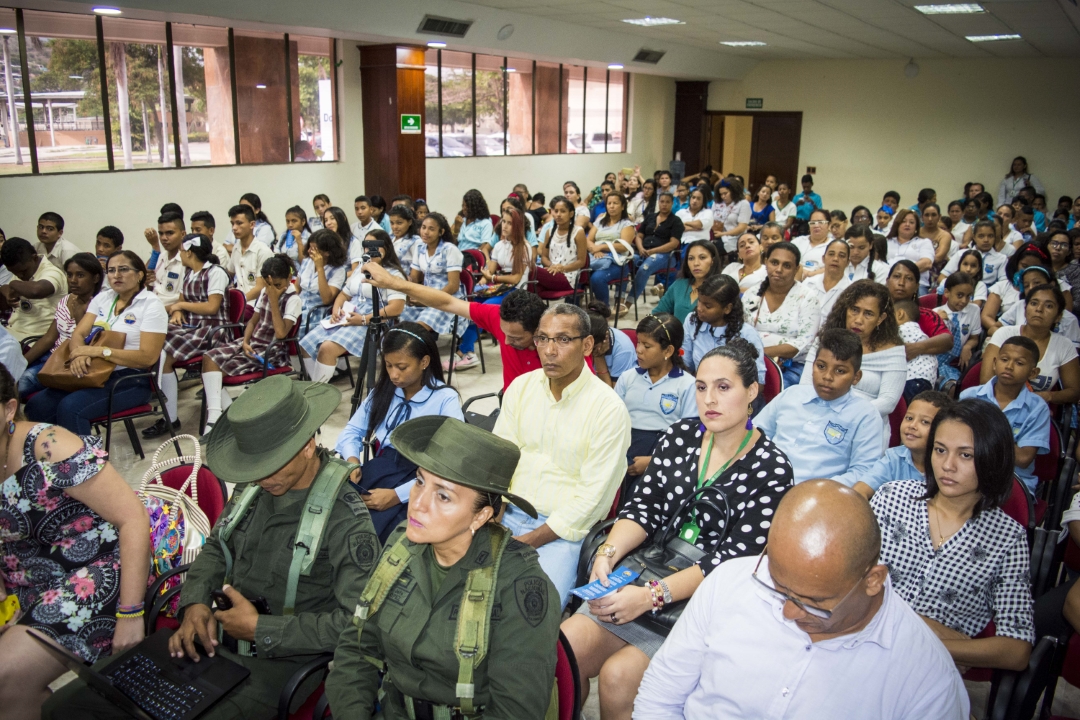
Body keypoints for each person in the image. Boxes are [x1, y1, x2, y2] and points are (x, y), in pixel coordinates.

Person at [45, 375, 379, 720]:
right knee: (67, 705)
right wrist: (194, 605)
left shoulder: (345, 519)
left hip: (277, 666)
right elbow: (217, 547)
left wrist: (260, 629)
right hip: (215, 641)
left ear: (307, 445)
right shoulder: (255, 487)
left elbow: (359, 624)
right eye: (255, 466)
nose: (260, 477)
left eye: (271, 464)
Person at [563, 339, 794, 720]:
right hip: (648, 569)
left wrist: (649, 597)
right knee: (564, 650)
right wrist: (607, 554)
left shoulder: (771, 469)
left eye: (723, 387)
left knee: (619, 678)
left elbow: (729, 564)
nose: (709, 399)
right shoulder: (679, 436)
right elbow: (643, 508)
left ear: (752, 391)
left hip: (702, 600)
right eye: (701, 387)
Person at [634, 479, 969, 719]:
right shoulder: (731, 581)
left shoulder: (926, 675)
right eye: (778, 587)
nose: (789, 612)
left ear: (872, 580)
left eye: (814, 602)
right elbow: (660, 696)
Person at [325, 416, 559, 720]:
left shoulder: (518, 585)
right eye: (420, 481)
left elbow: (515, 712)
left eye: (443, 496)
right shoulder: (401, 548)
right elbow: (357, 648)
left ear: (481, 516)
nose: (418, 503)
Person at [0, 365, 150, 720]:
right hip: (27, 580)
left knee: (5, 674)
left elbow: (132, 519)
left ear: (9, 409)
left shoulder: (50, 446)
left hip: (96, 571)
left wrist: (131, 613)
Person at [871, 400, 1034, 673]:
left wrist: (924, 642)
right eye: (940, 450)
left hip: (930, 671)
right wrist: (934, 629)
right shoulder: (891, 497)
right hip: (861, 644)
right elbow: (848, 581)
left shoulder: (1008, 538)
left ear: (993, 458)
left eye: (966, 455)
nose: (947, 465)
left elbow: (1016, 650)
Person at [493, 304, 632, 606]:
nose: (549, 351)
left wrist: (528, 540)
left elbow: (592, 498)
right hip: (506, 513)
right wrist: (495, 516)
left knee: (530, 614)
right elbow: (499, 459)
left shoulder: (608, 409)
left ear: (587, 345)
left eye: (563, 339)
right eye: (543, 338)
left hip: (562, 533)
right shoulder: (521, 388)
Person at [335, 324, 462, 541]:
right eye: (388, 365)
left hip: (423, 476)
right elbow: (352, 430)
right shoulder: (383, 392)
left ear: (424, 362)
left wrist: (398, 495)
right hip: (382, 468)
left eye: (402, 367)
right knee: (340, 516)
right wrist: (353, 461)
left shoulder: (444, 399)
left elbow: (450, 462)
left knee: (382, 532)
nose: (393, 374)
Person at [25, 251, 166, 435]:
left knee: (71, 408)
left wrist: (99, 352)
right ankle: (52, 451)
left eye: (123, 269)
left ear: (140, 275)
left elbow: (148, 357)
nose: (116, 275)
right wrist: (79, 354)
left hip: (130, 379)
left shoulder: (151, 305)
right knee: (37, 405)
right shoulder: (103, 298)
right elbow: (79, 333)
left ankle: (82, 454)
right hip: (91, 371)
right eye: (111, 270)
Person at [362, 262, 556, 390]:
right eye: (504, 334)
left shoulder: (559, 346)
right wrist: (394, 283)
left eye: (515, 338)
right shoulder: (499, 318)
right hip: (511, 405)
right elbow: (447, 302)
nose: (505, 341)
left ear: (539, 331)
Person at [755, 328, 884, 487]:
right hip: (762, 481)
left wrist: (818, 490)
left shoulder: (865, 416)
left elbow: (864, 471)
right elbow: (755, 434)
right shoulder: (792, 395)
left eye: (840, 371)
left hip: (817, 494)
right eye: (821, 366)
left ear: (856, 377)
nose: (827, 377)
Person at [145, 234, 232, 439]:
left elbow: (212, 307)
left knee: (163, 341)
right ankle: (170, 416)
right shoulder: (189, 273)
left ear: (190, 252)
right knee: (159, 340)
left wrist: (180, 305)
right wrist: (177, 311)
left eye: (182, 251)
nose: (180, 254)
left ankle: (157, 391)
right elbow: (181, 301)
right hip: (191, 327)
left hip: (212, 329)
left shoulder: (215, 272)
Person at [200, 255, 301, 428]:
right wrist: (245, 342)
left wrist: (274, 300)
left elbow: (281, 333)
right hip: (252, 342)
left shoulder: (293, 299)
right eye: (269, 285)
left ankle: (219, 420)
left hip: (271, 351)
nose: (273, 289)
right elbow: (252, 322)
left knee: (216, 371)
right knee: (209, 359)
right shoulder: (264, 292)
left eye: (278, 285)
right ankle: (220, 415)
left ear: (288, 278)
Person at [299, 230, 406, 384]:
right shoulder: (361, 268)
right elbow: (344, 294)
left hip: (374, 320)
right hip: (349, 315)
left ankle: (316, 391)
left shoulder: (393, 274)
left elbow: (396, 308)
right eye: (367, 246)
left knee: (327, 348)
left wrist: (364, 319)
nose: (370, 250)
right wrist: (336, 310)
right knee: (306, 344)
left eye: (375, 246)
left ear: (386, 248)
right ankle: (316, 386)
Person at [802, 281, 906, 423]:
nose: (858, 320)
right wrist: (826, 414)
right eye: (854, 310)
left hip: (865, 422)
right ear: (845, 310)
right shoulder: (825, 341)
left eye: (868, 314)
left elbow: (888, 402)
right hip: (817, 415)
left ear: (880, 319)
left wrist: (846, 415)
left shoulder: (893, 352)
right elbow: (805, 386)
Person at [614, 314, 696, 489]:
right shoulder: (627, 378)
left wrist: (653, 461)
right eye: (638, 342)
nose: (638, 350)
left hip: (663, 452)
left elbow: (689, 437)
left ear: (668, 351)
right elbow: (612, 420)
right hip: (625, 447)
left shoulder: (687, 385)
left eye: (647, 346)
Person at [960, 336, 1050, 492]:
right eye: (1004, 359)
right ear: (994, 363)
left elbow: (1023, 458)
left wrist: (981, 434)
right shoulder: (970, 396)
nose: (1009, 366)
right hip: (968, 472)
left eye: (1019, 363)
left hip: (1011, 480)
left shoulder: (1038, 408)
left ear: (1033, 373)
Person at [20, 253, 103, 398]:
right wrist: (21, 363)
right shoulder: (66, 300)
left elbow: (89, 343)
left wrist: (79, 315)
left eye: (80, 275)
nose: (73, 280)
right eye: (69, 275)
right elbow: (49, 338)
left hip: (69, 362)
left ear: (95, 278)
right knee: (11, 375)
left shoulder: (100, 306)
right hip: (52, 356)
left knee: (22, 382)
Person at [983, 282, 1080, 405]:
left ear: (1058, 317)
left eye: (1049, 306)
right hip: (995, 404)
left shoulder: (1064, 345)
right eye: (1034, 303)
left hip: (1037, 407)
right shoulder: (1004, 334)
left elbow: (1074, 392)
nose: (1039, 309)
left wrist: (1046, 396)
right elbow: (985, 380)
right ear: (1025, 310)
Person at [742, 242, 823, 386]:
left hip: (792, 366)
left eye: (787, 265)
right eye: (774, 263)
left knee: (773, 391)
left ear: (796, 269)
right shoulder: (752, 294)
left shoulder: (808, 298)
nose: (779, 269)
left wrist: (763, 353)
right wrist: (757, 358)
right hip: (750, 362)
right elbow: (741, 332)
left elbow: (805, 343)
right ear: (766, 262)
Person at [856, 390, 953, 499]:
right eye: (909, 418)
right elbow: (860, 491)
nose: (912, 425)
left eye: (925, 422)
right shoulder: (893, 458)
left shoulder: (948, 467)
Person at [680, 274, 766, 383]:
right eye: (699, 301)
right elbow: (685, 364)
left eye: (707, 306)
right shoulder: (693, 321)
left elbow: (758, 382)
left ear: (727, 308)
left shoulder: (747, 334)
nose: (699, 308)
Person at [400, 212, 466, 340]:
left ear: (441, 232)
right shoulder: (419, 247)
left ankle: (422, 348)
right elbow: (414, 278)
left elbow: (453, 286)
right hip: (426, 296)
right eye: (423, 227)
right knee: (401, 318)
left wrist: (429, 300)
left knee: (417, 329)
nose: (425, 232)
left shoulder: (450, 249)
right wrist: (408, 290)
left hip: (446, 299)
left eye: (431, 229)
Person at [0, 237, 68, 342]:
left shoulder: (53, 273)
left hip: (34, 339)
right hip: (12, 332)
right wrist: (8, 293)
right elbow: (4, 287)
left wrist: (13, 284)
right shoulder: (23, 268)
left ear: (34, 258)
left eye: (23, 271)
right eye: (14, 273)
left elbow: (36, 291)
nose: (20, 276)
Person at [885, 260, 955, 359]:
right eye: (897, 276)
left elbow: (948, 340)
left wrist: (916, 348)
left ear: (916, 286)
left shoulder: (925, 314)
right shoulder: (876, 311)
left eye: (909, 278)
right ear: (887, 281)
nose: (901, 283)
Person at [295, 228, 349, 338]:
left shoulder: (338, 270)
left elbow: (326, 299)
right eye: (309, 247)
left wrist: (320, 268)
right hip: (298, 306)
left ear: (327, 253)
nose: (309, 251)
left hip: (315, 312)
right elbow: (297, 288)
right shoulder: (306, 262)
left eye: (314, 249)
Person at [934, 272, 982, 392]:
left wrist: (967, 346)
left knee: (953, 388)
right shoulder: (935, 313)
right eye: (959, 295)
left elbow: (974, 338)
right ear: (947, 293)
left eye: (968, 296)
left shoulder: (974, 310)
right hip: (935, 360)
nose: (964, 301)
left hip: (954, 364)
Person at [652, 239, 719, 324]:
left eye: (702, 257)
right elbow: (657, 313)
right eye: (691, 258)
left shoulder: (720, 289)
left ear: (713, 260)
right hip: (676, 332)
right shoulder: (679, 285)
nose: (696, 263)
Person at [587, 192, 637, 305]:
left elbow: (624, 247)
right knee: (578, 275)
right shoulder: (600, 221)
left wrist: (601, 247)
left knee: (597, 279)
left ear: (623, 206)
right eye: (609, 203)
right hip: (596, 257)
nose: (611, 206)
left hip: (618, 262)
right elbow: (588, 239)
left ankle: (604, 310)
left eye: (615, 203)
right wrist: (595, 250)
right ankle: (573, 310)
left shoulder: (626, 224)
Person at [537, 196, 588, 298]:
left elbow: (581, 261)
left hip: (568, 276)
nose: (558, 214)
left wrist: (562, 268)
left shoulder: (578, 232)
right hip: (552, 272)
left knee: (531, 271)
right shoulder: (549, 231)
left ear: (571, 214)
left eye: (563, 211)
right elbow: (544, 257)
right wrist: (552, 266)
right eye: (556, 211)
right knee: (533, 287)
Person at [228, 204, 274, 313]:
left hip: (255, 305)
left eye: (239, 223)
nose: (234, 228)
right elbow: (229, 274)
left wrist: (238, 301)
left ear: (252, 224)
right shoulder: (236, 248)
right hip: (240, 303)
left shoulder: (263, 251)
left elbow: (260, 288)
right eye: (232, 223)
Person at [892, 299, 938, 402]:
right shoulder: (917, 332)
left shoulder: (902, 329)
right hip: (925, 381)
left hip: (912, 380)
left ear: (900, 314)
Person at [886, 209, 935, 294]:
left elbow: (927, 263)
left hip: (916, 285)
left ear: (916, 227)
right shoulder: (886, 241)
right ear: (897, 224)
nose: (907, 224)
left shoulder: (924, 242)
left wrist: (902, 274)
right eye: (903, 221)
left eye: (911, 222)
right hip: (887, 283)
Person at [588, 302, 637, 387]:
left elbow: (613, 391)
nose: (586, 349)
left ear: (605, 338)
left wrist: (598, 356)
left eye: (593, 347)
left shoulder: (623, 349)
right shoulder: (578, 338)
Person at [803, 239, 852, 319]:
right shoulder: (809, 283)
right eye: (831, 254)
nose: (835, 259)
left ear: (848, 262)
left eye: (841, 256)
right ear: (823, 258)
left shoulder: (850, 291)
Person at [711, 180, 750, 256]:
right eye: (721, 194)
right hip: (716, 235)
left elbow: (742, 227)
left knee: (712, 250)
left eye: (725, 193)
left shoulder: (743, 203)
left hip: (733, 239)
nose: (723, 196)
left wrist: (723, 234)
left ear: (734, 191)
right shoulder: (717, 203)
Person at [791, 207, 833, 277]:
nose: (816, 226)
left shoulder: (834, 245)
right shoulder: (798, 241)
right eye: (812, 223)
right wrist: (803, 272)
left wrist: (811, 274)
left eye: (820, 222)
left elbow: (834, 267)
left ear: (829, 225)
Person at [1045, 228, 1080, 308]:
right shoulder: (1040, 268)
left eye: (1064, 245)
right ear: (1047, 246)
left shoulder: (1076, 271)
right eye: (1054, 243)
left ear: (1069, 251)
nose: (1058, 248)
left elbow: (1078, 303)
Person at [453, 188, 495, 253]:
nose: (463, 209)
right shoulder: (461, 220)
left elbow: (485, 245)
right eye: (463, 205)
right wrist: (456, 229)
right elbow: (451, 243)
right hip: (458, 254)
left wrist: (473, 255)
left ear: (475, 208)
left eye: (467, 207)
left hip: (473, 255)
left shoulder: (485, 223)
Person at [387, 204, 420, 278]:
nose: (395, 227)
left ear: (410, 222)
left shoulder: (415, 241)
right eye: (392, 223)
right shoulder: (389, 238)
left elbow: (416, 273)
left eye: (399, 223)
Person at [274, 205, 311, 271]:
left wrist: (299, 241)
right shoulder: (284, 236)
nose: (290, 225)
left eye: (294, 221)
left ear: (303, 221)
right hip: (283, 272)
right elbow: (276, 253)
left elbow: (304, 263)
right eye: (287, 221)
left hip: (300, 273)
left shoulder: (309, 238)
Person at [920, 203, 953, 269]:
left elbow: (938, 257)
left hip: (936, 269)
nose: (930, 219)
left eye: (933, 215)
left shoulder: (945, 235)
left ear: (939, 217)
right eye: (926, 215)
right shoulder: (915, 233)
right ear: (922, 217)